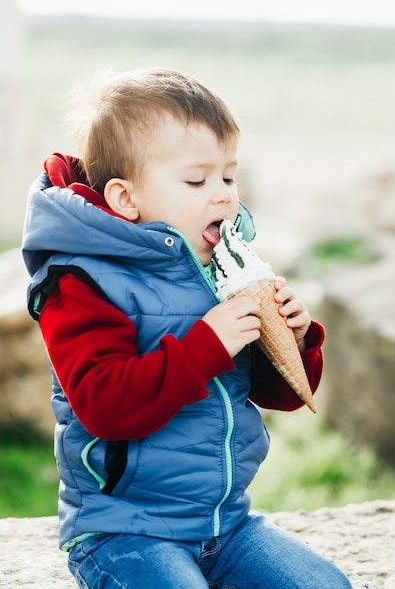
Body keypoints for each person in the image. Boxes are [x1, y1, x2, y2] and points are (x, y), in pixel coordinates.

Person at [22, 68, 352, 588]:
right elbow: (104, 406)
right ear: (126, 199)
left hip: (225, 524)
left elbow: (283, 397)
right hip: (123, 531)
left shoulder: (218, 261)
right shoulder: (81, 282)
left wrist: (297, 339)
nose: (222, 196)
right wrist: (206, 345)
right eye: (197, 181)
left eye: (228, 175)